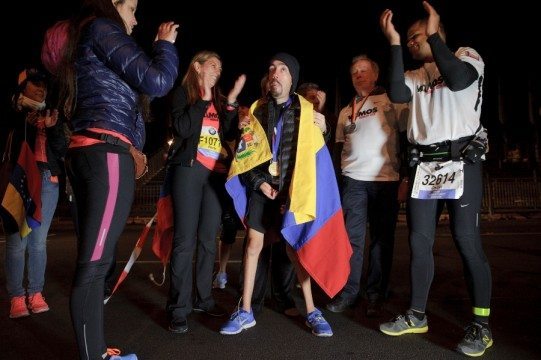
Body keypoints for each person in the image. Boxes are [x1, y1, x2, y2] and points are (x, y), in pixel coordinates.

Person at [57, 0, 179, 358]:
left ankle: (97, 351)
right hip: (105, 152)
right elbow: (157, 81)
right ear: (113, 4)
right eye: (131, 8)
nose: (136, 18)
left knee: (97, 264)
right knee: (94, 267)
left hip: (95, 151)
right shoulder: (101, 28)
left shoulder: (91, 35)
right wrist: (165, 46)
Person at [379, 2, 492, 357]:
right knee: (419, 240)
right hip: (425, 166)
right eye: (411, 40)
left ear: (435, 33)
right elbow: (397, 92)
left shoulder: (466, 56)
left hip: (461, 159)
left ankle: (482, 325)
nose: (413, 44)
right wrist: (395, 43)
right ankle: (416, 314)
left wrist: (431, 36)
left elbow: (459, 80)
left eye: (417, 37)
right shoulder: (415, 76)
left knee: (465, 240)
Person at [220, 53, 342, 337]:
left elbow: (315, 153)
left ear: (292, 79)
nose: (275, 72)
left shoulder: (305, 110)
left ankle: (312, 310)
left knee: (295, 247)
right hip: (263, 186)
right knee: (252, 243)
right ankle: (246, 310)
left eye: (283, 69)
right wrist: (260, 183)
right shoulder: (255, 111)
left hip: (293, 187)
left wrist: (324, 131)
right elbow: (245, 157)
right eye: (272, 68)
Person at [166, 51, 246, 334]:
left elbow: (225, 132)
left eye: (221, 67)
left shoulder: (217, 101)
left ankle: (204, 298)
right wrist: (202, 99)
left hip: (214, 175)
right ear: (197, 66)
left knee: (207, 241)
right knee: (184, 241)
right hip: (188, 171)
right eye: (213, 65)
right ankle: (178, 307)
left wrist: (232, 100)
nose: (218, 70)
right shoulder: (183, 94)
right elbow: (184, 127)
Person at [326, 55, 406, 317]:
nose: (358, 74)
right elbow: (338, 149)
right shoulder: (345, 110)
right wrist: (338, 184)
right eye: (354, 72)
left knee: (382, 240)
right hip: (353, 182)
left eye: (363, 70)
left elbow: (407, 141)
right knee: (352, 241)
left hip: (386, 181)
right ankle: (349, 292)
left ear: (376, 74)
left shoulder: (393, 101)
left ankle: (375, 293)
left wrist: (406, 177)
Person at [2, 67, 67, 319]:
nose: (41, 88)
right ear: (22, 87)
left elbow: (61, 149)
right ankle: (16, 296)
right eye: (34, 84)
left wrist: (51, 127)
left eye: (44, 85)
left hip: (47, 179)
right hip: (18, 179)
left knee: (38, 242)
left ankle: (36, 292)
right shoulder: (13, 110)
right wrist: (22, 120)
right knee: (17, 242)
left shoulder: (52, 113)